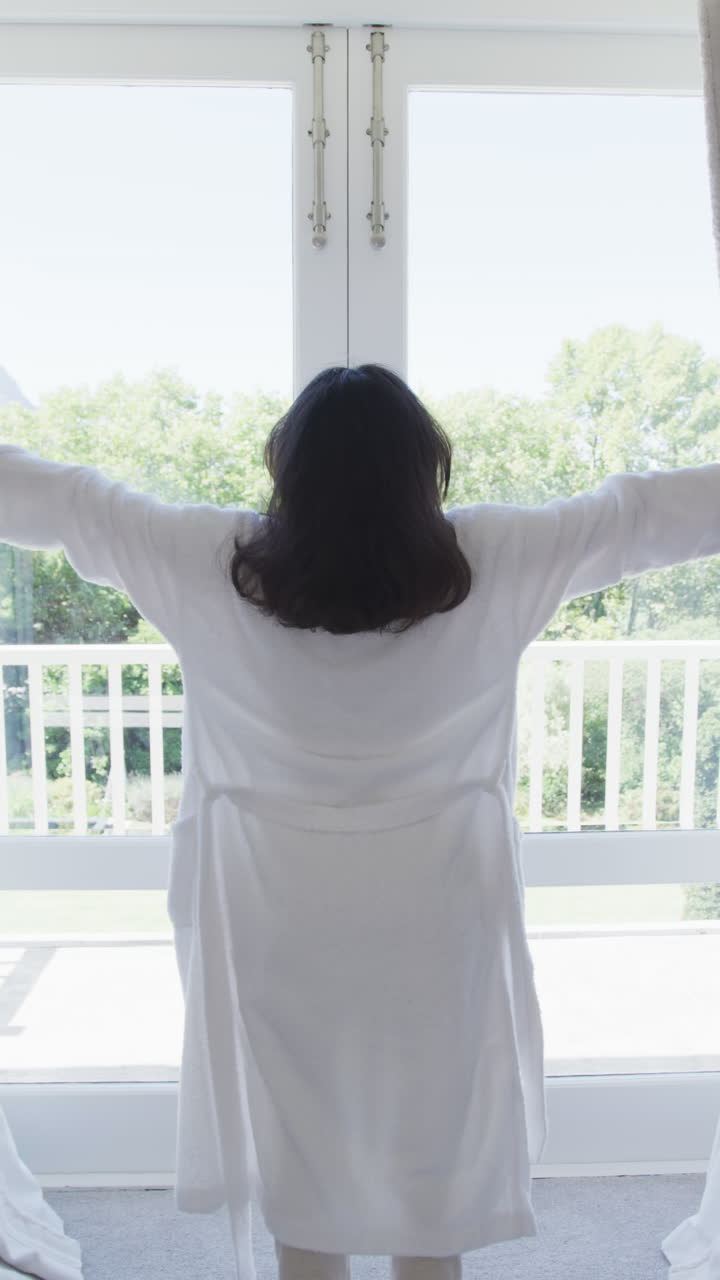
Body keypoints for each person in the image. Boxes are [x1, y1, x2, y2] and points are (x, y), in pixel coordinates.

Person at [2, 361, 720, 1280]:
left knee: (303, 1169)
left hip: (279, 917)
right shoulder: (494, 557)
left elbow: (70, 504)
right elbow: (640, 514)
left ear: (288, 471)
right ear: (425, 470)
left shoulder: (209, 561)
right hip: (439, 916)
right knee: (432, 1169)